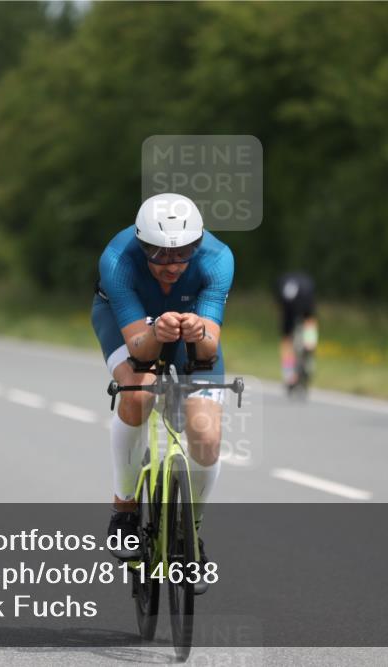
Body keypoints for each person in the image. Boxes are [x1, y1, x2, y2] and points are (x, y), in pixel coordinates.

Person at [92, 193, 233, 594]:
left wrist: (199, 332)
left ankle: (192, 536)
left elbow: (208, 349)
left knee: (205, 435)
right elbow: (138, 349)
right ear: (141, 245)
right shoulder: (118, 261)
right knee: (139, 392)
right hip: (129, 325)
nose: (172, 265)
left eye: (183, 253)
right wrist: (156, 333)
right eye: (159, 254)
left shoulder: (218, 258)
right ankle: (123, 509)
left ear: (198, 244)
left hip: (189, 327)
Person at [275, 271, 318, 391]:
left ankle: (289, 375)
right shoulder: (306, 284)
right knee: (309, 321)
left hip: (289, 304)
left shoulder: (282, 285)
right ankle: (309, 347)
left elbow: (280, 310)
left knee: (286, 340)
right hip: (305, 298)